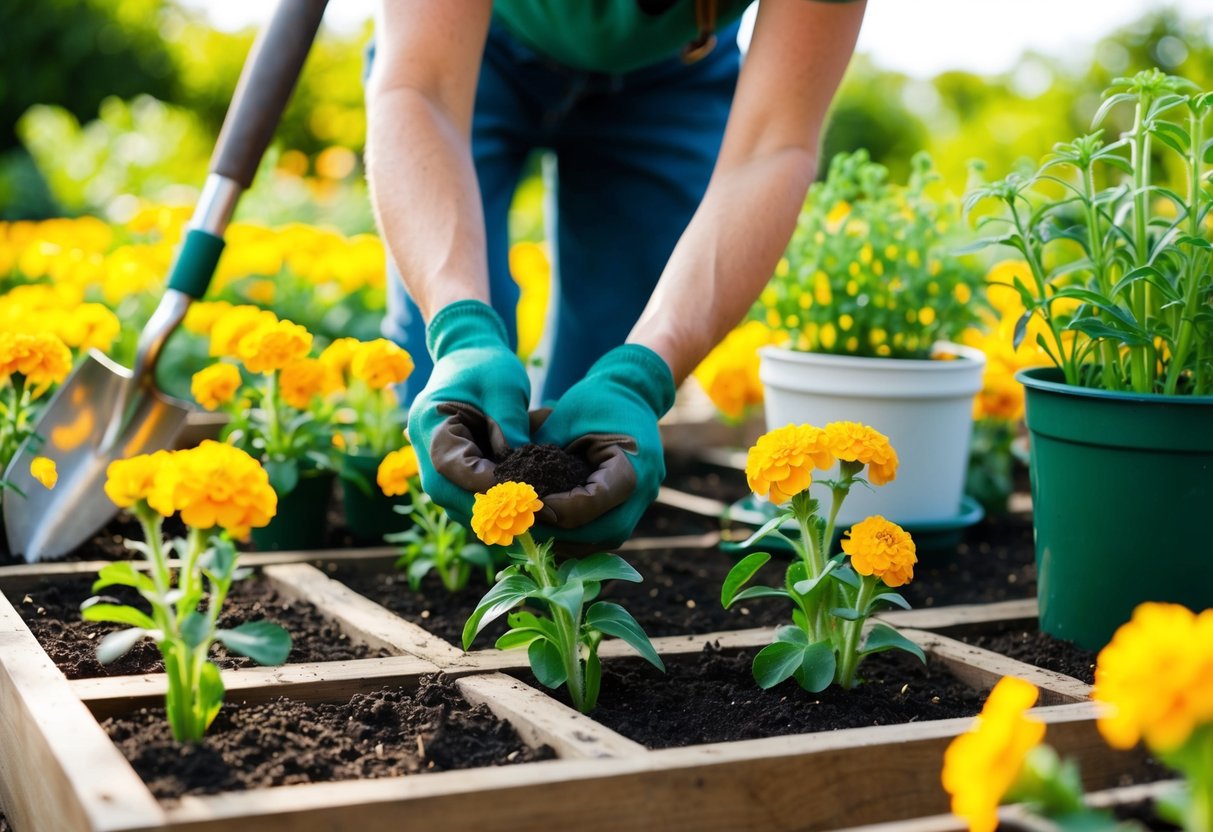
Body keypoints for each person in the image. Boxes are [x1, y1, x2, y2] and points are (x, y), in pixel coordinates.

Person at [365, 0, 866, 549]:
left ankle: (549, 610)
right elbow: (423, 89)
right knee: (449, 410)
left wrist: (642, 376)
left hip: (672, 77)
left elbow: (774, 147)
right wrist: (461, 332)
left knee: (592, 437)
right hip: (475, 42)